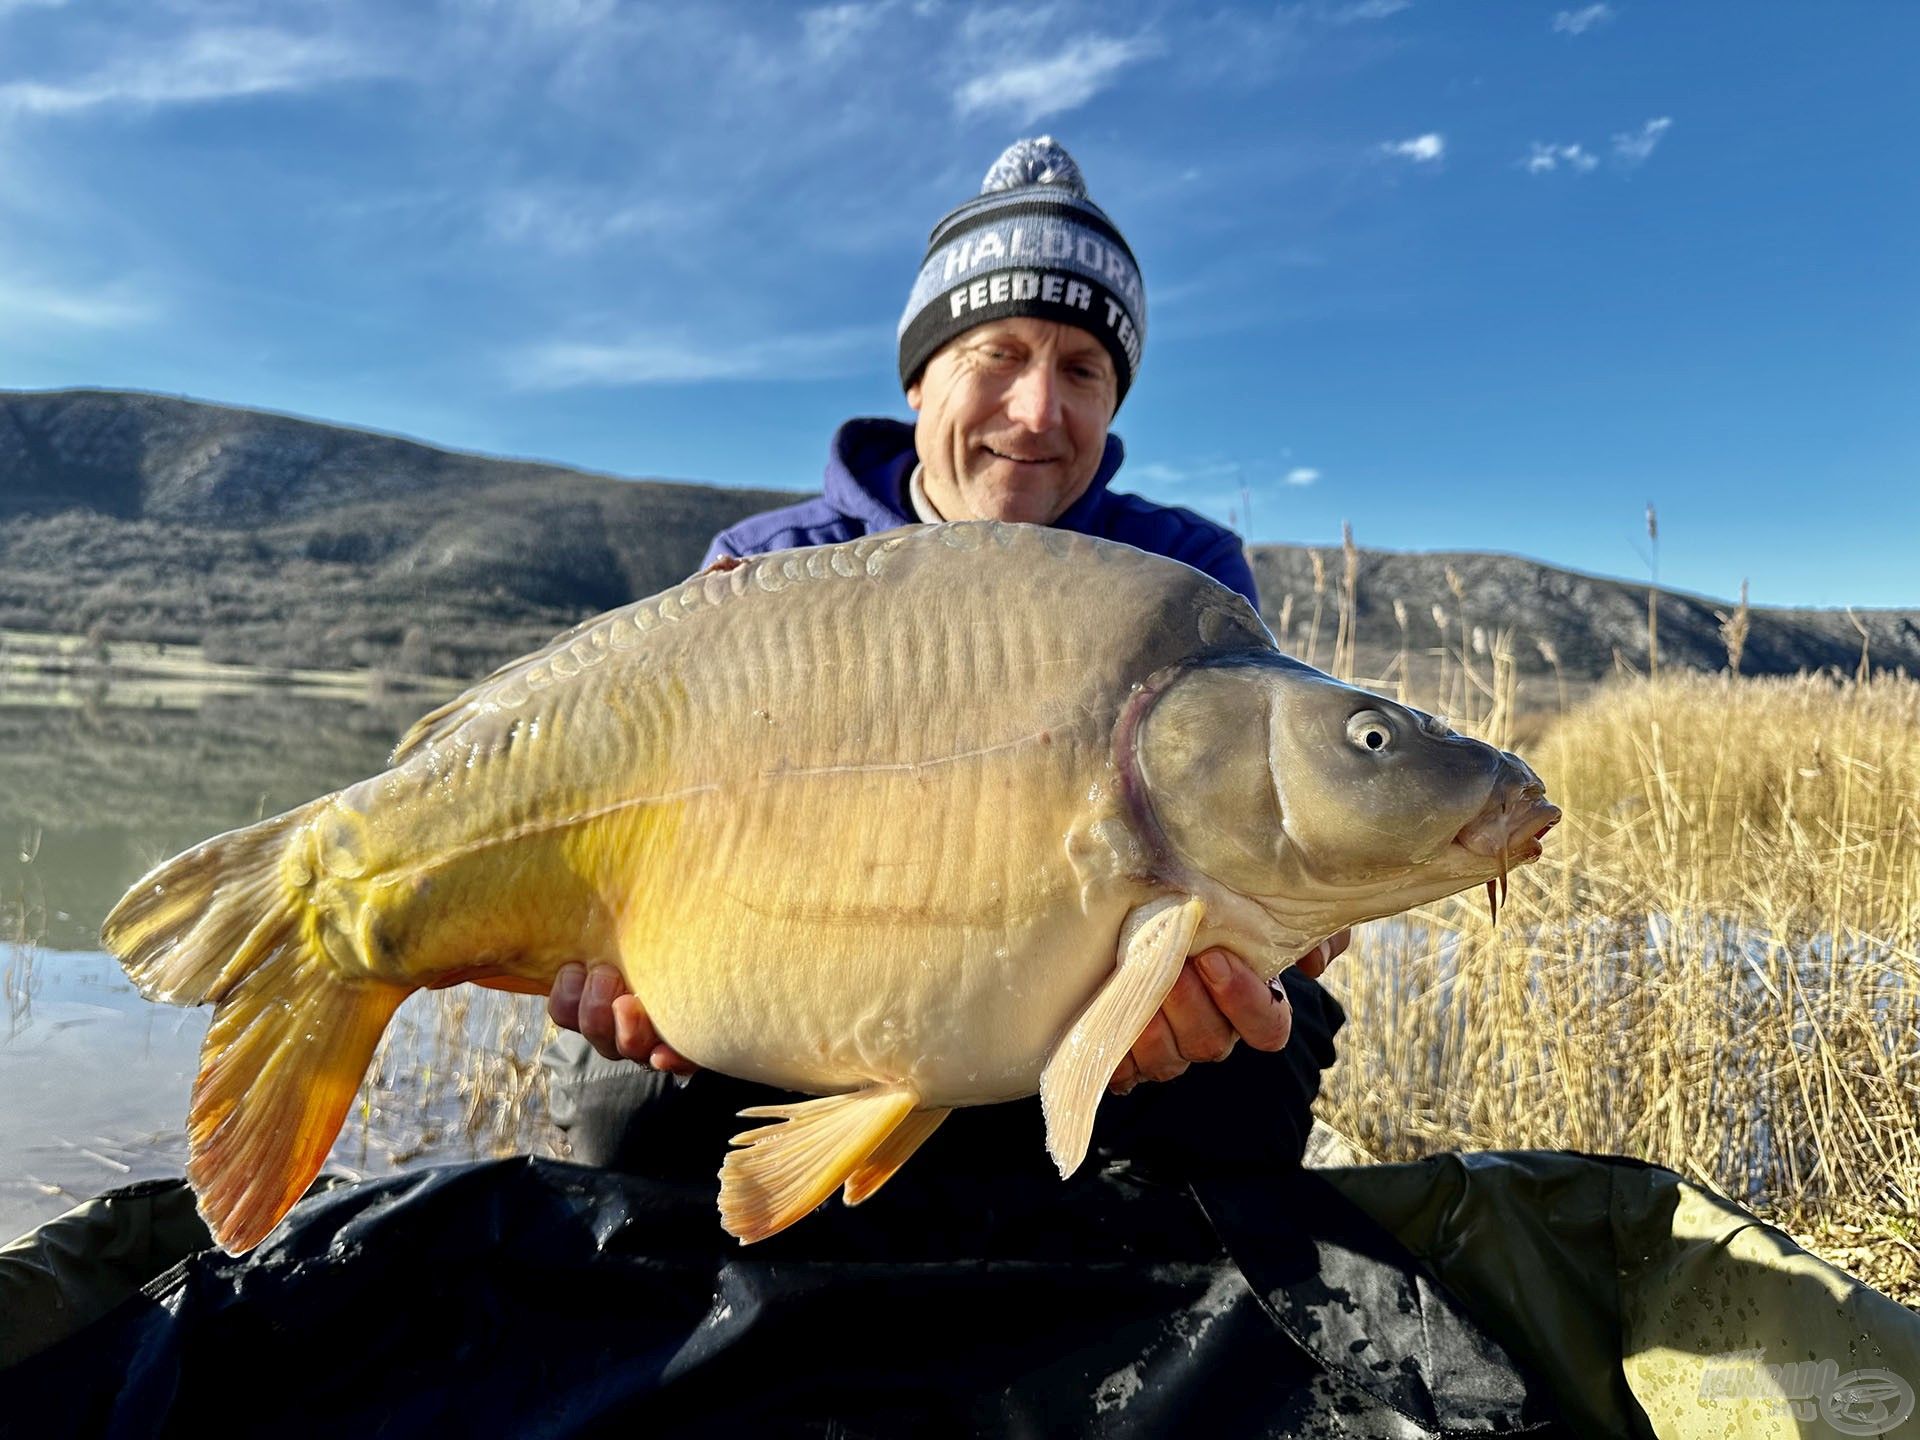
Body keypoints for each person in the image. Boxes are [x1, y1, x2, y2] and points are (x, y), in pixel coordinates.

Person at [543, 136, 1349, 1193]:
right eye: (999, 355)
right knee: (627, 1098)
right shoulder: (762, 569)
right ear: (921, 380)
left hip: (1067, 1014)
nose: (1038, 412)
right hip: (805, 981)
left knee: (1257, 1042)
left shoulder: (1184, 576)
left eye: (1082, 370)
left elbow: (1248, 840)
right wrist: (648, 963)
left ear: (1116, 404)